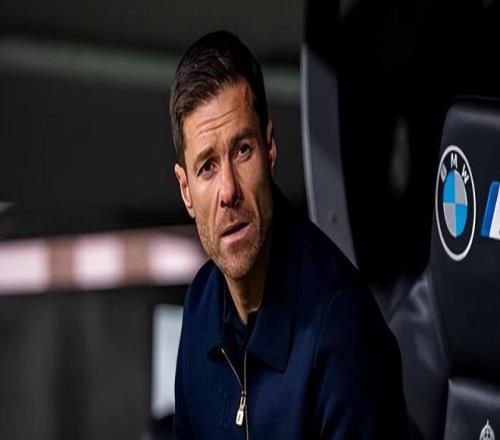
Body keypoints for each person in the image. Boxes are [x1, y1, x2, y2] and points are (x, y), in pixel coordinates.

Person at [170, 30, 408, 439]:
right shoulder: (200, 307)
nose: (228, 190)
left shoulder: (341, 330)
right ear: (186, 191)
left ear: (270, 149)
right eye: (207, 166)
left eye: (242, 150)